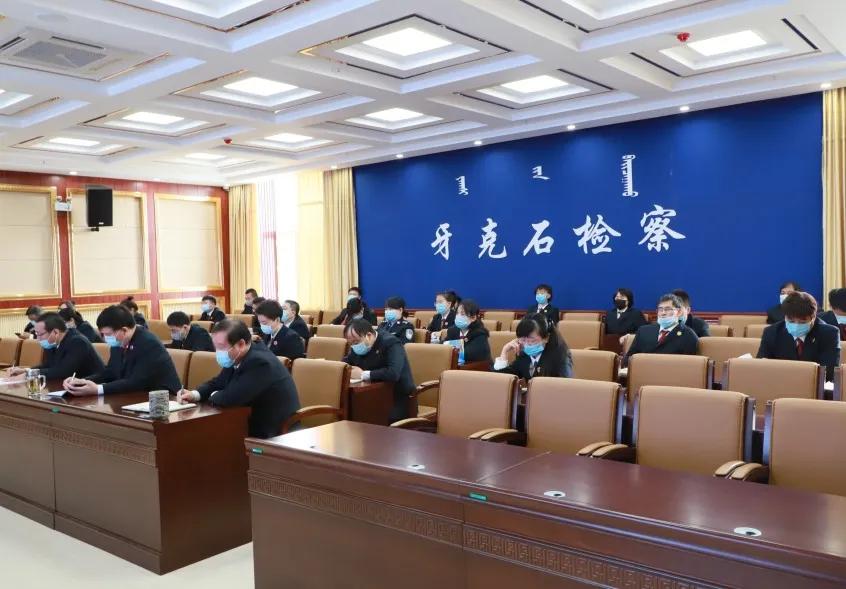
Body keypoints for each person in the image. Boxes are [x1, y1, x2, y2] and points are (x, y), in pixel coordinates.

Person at [178, 319, 301, 439]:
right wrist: (195, 394)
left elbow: (229, 399)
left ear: (241, 344)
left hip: (274, 431)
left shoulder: (259, 362)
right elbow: (219, 382)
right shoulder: (239, 355)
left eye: (221, 347)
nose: (218, 352)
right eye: (216, 347)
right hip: (246, 420)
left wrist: (214, 394)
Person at [62, 305, 181, 396]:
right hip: (134, 396)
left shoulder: (149, 343)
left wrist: (98, 389)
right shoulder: (119, 342)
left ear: (124, 330)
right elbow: (110, 373)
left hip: (164, 398)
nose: (106, 339)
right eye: (103, 334)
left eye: (108, 334)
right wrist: (83, 381)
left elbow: (136, 382)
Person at [344, 319, 415, 422]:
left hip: (397, 397)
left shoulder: (391, 343)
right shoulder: (358, 346)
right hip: (369, 395)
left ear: (369, 335)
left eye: (355, 342)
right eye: (351, 343)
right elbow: (347, 362)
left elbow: (393, 373)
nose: (354, 346)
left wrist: (363, 374)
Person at [758, 291, 840, 381]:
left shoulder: (829, 333)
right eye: (791, 321)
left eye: (802, 322)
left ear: (813, 317)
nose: (796, 325)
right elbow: (761, 366)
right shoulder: (771, 332)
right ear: (785, 317)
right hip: (779, 381)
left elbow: (829, 372)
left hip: (814, 383)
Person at [8, 312, 104, 381]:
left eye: (40, 334)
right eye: (36, 334)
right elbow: (48, 365)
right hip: (68, 385)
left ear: (55, 332)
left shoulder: (78, 342)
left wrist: (29, 375)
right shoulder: (53, 343)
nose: (38, 338)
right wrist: (26, 370)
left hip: (92, 387)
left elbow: (63, 372)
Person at [494, 314, 572, 378]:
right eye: (523, 340)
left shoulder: (560, 358)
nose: (527, 345)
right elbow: (502, 379)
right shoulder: (523, 356)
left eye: (532, 341)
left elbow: (562, 387)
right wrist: (504, 351)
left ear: (546, 338)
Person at [626, 294, 699, 359]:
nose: (663, 313)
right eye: (660, 309)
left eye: (668, 309)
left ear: (679, 312)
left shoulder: (688, 335)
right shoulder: (643, 331)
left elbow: (689, 365)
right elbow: (629, 359)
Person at [443, 299, 491, 365]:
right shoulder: (452, 331)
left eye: (462, 314)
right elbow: (443, 345)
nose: (458, 316)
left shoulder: (480, 333)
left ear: (473, 318)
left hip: (478, 368)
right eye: (457, 313)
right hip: (455, 365)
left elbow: (468, 354)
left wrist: (448, 350)